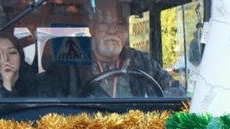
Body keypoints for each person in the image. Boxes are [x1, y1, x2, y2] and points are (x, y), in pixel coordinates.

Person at [38, 7, 176, 98]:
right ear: (92, 28)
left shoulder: (143, 62)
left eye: (119, 24)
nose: (112, 30)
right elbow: (50, 106)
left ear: (126, 31)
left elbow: (176, 90)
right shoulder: (69, 65)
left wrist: (153, 106)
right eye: (104, 23)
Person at [0, 29, 35, 97]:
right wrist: (7, 82)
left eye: (12, 52)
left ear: (20, 57)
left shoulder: (34, 86)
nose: (6, 59)